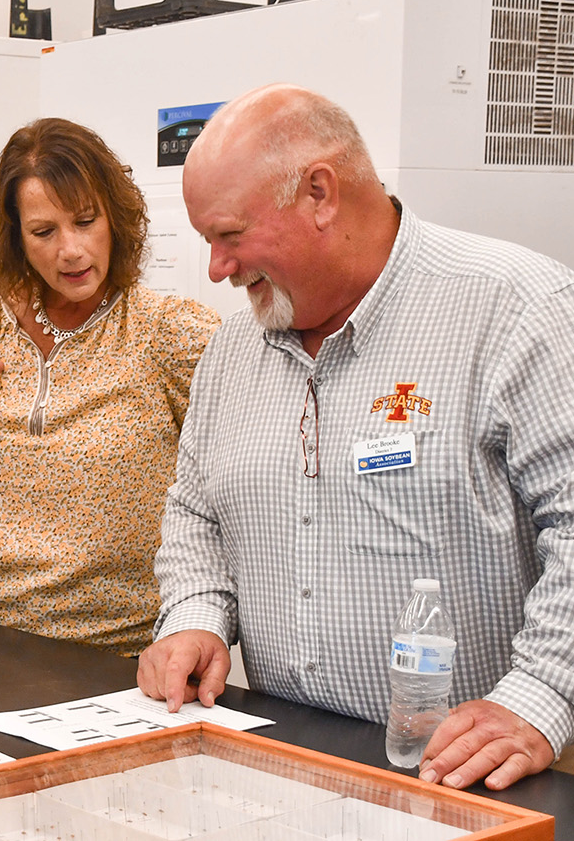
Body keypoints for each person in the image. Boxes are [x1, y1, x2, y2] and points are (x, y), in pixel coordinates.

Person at [136, 83, 574, 791]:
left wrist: (539, 695)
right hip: (280, 763)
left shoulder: (515, 309)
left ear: (318, 194)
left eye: (229, 235)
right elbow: (196, 514)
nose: (218, 267)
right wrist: (194, 617)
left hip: (471, 779)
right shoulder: (230, 352)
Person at [0, 118, 218, 656]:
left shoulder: (165, 334)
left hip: (117, 656)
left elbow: (229, 484)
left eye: (85, 221)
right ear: (16, 239)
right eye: (44, 232)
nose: (72, 250)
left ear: (115, 219)